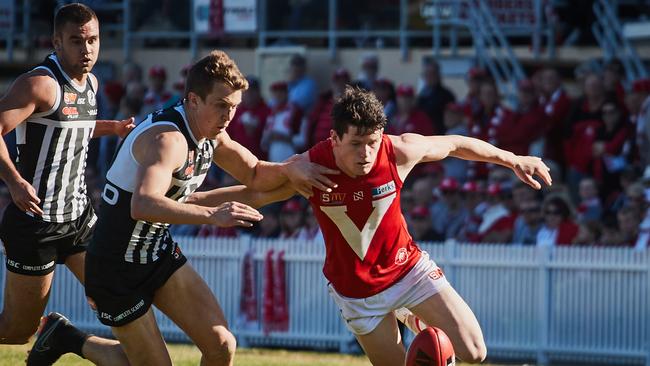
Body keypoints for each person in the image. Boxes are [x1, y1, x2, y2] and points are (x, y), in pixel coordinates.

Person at [239, 86, 552, 365]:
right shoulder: (309, 167)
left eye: (372, 142)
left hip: (408, 271)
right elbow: (256, 186)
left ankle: (410, 313)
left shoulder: (399, 150)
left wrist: (512, 159)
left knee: (474, 351)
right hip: (356, 293)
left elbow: (455, 144)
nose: (366, 153)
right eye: (356, 143)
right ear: (334, 139)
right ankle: (410, 317)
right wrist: (196, 204)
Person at [83, 50, 337, 366]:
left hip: (156, 253)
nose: (228, 116)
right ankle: (74, 340)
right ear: (193, 100)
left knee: (221, 345)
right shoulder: (168, 140)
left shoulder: (210, 134)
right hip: (115, 266)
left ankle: (65, 337)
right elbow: (143, 203)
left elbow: (255, 175)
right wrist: (214, 216)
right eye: (221, 105)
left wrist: (297, 171)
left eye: (233, 107)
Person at [0, 4, 136, 365]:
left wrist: (113, 128)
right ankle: (54, 335)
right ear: (56, 42)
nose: (87, 49)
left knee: (121, 296)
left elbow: (75, 125)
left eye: (92, 40)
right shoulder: (39, 83)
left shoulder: (90, 82)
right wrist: (14, 181)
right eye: (76, 41)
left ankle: (67, 337)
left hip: (79, 220)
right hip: (35, 222)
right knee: (16, 331)